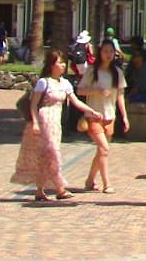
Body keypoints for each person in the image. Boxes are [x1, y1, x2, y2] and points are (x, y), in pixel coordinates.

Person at [12, 50, 101, 201]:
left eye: (63, 62)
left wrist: (91, 111)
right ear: (51, 65)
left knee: (47, 154)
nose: (62, 65)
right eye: (59, 62)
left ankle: (40, 190)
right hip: (43, 120)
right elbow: (33, 105)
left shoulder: (65, 83)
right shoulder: (44, 83)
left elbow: (75, 101)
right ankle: (60, 188)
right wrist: (34, 123)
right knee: (51, 152)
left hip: (56, 122)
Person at [77, 38, 129, 192]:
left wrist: (124, 116)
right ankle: (107, 183)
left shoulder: (117, 73)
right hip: (94, 115)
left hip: (110, 115)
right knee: (104, 148)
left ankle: (90, 180)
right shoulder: (92, 71)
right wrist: (96, 91)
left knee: (101, 151)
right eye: (105, 51)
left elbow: (120, 96)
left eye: (111, 52)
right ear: (100, 52)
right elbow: (80, 90)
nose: (108, 54)